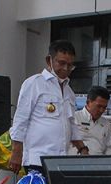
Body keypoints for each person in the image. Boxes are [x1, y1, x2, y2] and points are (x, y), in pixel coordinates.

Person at [9, 40, 89, 176]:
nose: (65, 68)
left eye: (70, 65)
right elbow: (21, 119)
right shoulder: (34, 83)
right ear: (49, 60)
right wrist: (17, 152)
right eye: (61, 63)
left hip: (60, 160)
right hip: (37, 159)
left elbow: (71, 124)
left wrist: (82, 148)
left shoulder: (69, 92)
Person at [69, 86, 111, 155]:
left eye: (104, 107)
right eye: (99, 106)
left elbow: (108, 147)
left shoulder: (106, 124)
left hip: (99, 162)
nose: (101, 110)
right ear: (88, 102)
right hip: (76, 161)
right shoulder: (74, 118)